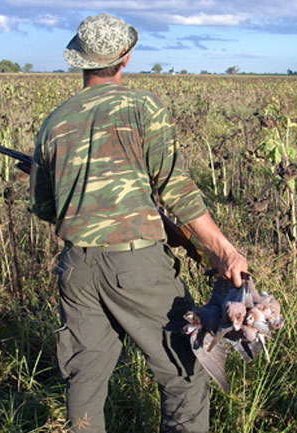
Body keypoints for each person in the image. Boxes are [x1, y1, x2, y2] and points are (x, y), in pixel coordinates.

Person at [29, 13, 248, 433]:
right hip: (137, 267)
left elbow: (44, 208)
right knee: (185, 370)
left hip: (76, 268)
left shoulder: (54, 122)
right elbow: (176, 190)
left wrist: (75, 190)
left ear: (80, 60)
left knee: (85, 378)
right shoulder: (142, 106)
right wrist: (223, 250)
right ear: (125, 58)